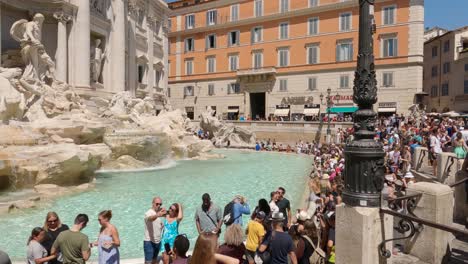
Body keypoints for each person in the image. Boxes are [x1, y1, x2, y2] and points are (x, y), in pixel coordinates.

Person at [144, 197, 166, 264]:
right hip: (149, 242)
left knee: (154, 260)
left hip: (158, 242)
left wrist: (161, 225)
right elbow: (150, 219)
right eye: (157, 204)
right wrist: (158, 215)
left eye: (160, 204)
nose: (159, 205)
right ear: (153, 204)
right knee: (148, 262)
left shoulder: (159, 213)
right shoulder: (148, 213)